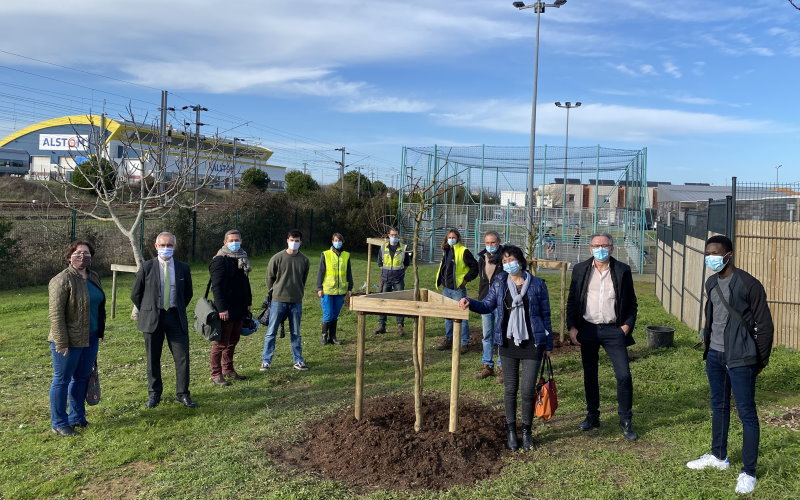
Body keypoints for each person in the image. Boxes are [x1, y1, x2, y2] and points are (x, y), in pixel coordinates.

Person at [686, 235, 773, 495]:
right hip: (714, 356)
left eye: (716, 252)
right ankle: (718, 456)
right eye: (708, 252)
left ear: (729, 255)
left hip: (741, 359)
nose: (711, 257)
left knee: (747, 414)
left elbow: (765, 326)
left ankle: (749, 472)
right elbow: (711, 316)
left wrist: (759, 360)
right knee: (719, 406)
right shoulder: (711, 282)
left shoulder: (749, 284)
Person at [459, 245, 553, 451]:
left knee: (528, 390)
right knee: (510, 389)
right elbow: (487, 305)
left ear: (520, 260)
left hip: (532, 343)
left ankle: (527, 430)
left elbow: (545, 315)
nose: (508, 264)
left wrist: (548, 344)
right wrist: (470, 302)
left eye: (512, 259)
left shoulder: (537, 284)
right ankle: (511, 430)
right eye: (505, 261)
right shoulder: (500, 282)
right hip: (508, 342)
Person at [567, 232, 638, 441]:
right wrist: (572, 327)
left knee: (624, 375)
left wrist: (626, 326)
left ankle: (625, 419)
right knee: (590, 374)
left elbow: (632, 303)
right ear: (590, 248)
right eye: (596, 245)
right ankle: (593, 415)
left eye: (605, 245)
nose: (600, 249)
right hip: (587, 328)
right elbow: (572, 300)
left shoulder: (622, 270)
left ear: (612, 248)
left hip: (613, 330)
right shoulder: (580, 269)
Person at [47, 240, 105, 436]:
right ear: (69, 256)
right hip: (68, 341)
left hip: (91, 338)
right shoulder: (61, 280)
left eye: (87, 253)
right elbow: (55, 314)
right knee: (62, 380)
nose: (82, 256)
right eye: (78, 253)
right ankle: (59, 422)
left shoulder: (94, 276)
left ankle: (77, 417)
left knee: (81, 378)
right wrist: (61, 342)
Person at [131, 232, 195, 409]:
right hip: (153, 318)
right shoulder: (147, 267)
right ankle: (154, 394)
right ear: (156, 246)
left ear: (174, 247)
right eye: (162, 245)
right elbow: (136, 294)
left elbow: (188, 293)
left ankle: (182, 394)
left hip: (175, 316)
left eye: (170, 245)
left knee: (182, 357)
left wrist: (177, 307)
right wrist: (148, 308)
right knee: (153, 357)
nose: (166, 248)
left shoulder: (183, 268)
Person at [261, 229, 310, 371]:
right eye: (292, 240)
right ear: (287, 240)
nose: (294, 243)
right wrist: (276, 291)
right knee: (271, 332)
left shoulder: (304, 260)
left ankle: (298, 360)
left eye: (297, 241)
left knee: (296, 332)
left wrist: (298, 292)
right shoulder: (277, 258)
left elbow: (303, 279)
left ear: (301, 242)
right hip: (278, 300)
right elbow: (270, 278)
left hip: (296, 301)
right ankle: (266, 361)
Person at [208, 229, 253, 386]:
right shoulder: (219, 260)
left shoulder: (242, 258)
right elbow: (217, 287)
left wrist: (248, 303)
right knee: (221, 343)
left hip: (239, 307)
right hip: (225, 309)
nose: (235, 243)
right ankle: (216, 374)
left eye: (237, 240)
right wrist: (221, 309)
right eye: (231, 240)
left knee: (233, 340)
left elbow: (245, 283)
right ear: (225, 242)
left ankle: (228, 369)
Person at [435, 228, 479, 353]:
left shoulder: (463, 251)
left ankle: (464, 342)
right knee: (447, 315)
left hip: (457, 290)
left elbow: (475, 267)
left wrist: (466, 280)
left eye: (453, 237)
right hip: (446, 288)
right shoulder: (446, 250)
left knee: (462, 316)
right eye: (449, 237)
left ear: (458, 238)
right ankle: (449, 339)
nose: (451, 240)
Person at [474, 230, 503, 382]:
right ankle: (487, 365)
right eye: (487, 243)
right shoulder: (482, 257)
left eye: (493, 242)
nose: (490, 245)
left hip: (500, 301)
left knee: (501, 334)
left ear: (499, 242)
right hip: (485, 300)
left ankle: (502, 367)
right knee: (487, 334)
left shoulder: (505, 257)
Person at [316, 232, 353, 345]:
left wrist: (350, 288)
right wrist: (319, 288)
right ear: (332, 241)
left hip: (340, 290)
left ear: (342, 242)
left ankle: (333, 337)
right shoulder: (326, 254)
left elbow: (349, 273)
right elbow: (320, 272)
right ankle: (324, 336)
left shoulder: (346, 255)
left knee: (335, 314)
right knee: (328, 314)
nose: (338, 242)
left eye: (340, 240)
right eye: (336, 240)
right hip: (327, 290)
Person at [373, 227, 411, 335]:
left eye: (396, 235)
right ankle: (382, 325)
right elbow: (380, 263)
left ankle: (400, 326)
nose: (394, 237)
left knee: (400, 302)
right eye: (392, 235)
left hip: (398, 279)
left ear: (398, 237)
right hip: (386, 279)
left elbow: (407, 264)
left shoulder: (403, 248)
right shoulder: (383, 247)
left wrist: (400, 272)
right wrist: (386, 273)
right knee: (383, 302)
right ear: (388, 236)